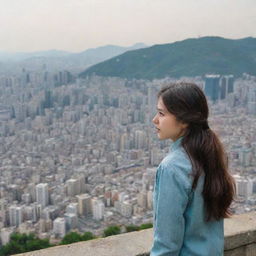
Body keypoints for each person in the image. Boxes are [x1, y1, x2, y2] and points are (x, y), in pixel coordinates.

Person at [150, 82, 236, 256]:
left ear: (184, 120)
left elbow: (167, 245)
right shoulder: (209, 154)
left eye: (161, 113)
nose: (155, 119)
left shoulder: (171, 168)